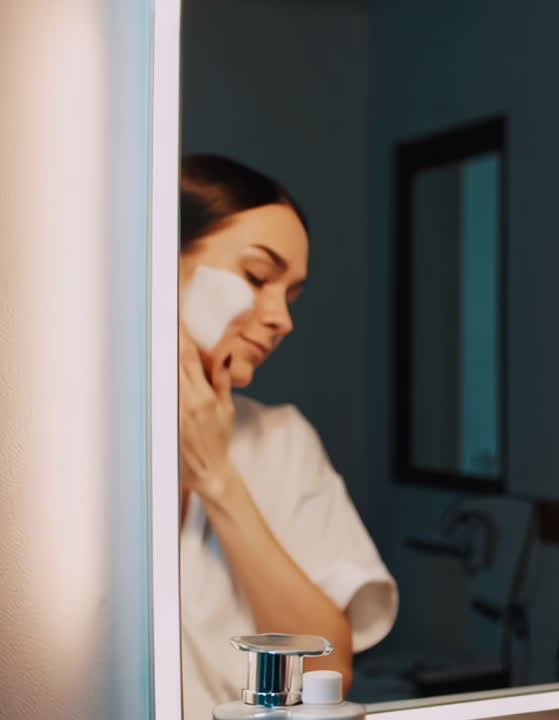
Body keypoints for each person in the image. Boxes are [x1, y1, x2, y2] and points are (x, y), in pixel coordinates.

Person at [177, 155, 397, 719]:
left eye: (291, 295)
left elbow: (327, 672)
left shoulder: (281, 440)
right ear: (162, 257)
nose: (282, 319)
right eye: (256, 277)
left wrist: (217, 479)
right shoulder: (62, 442)